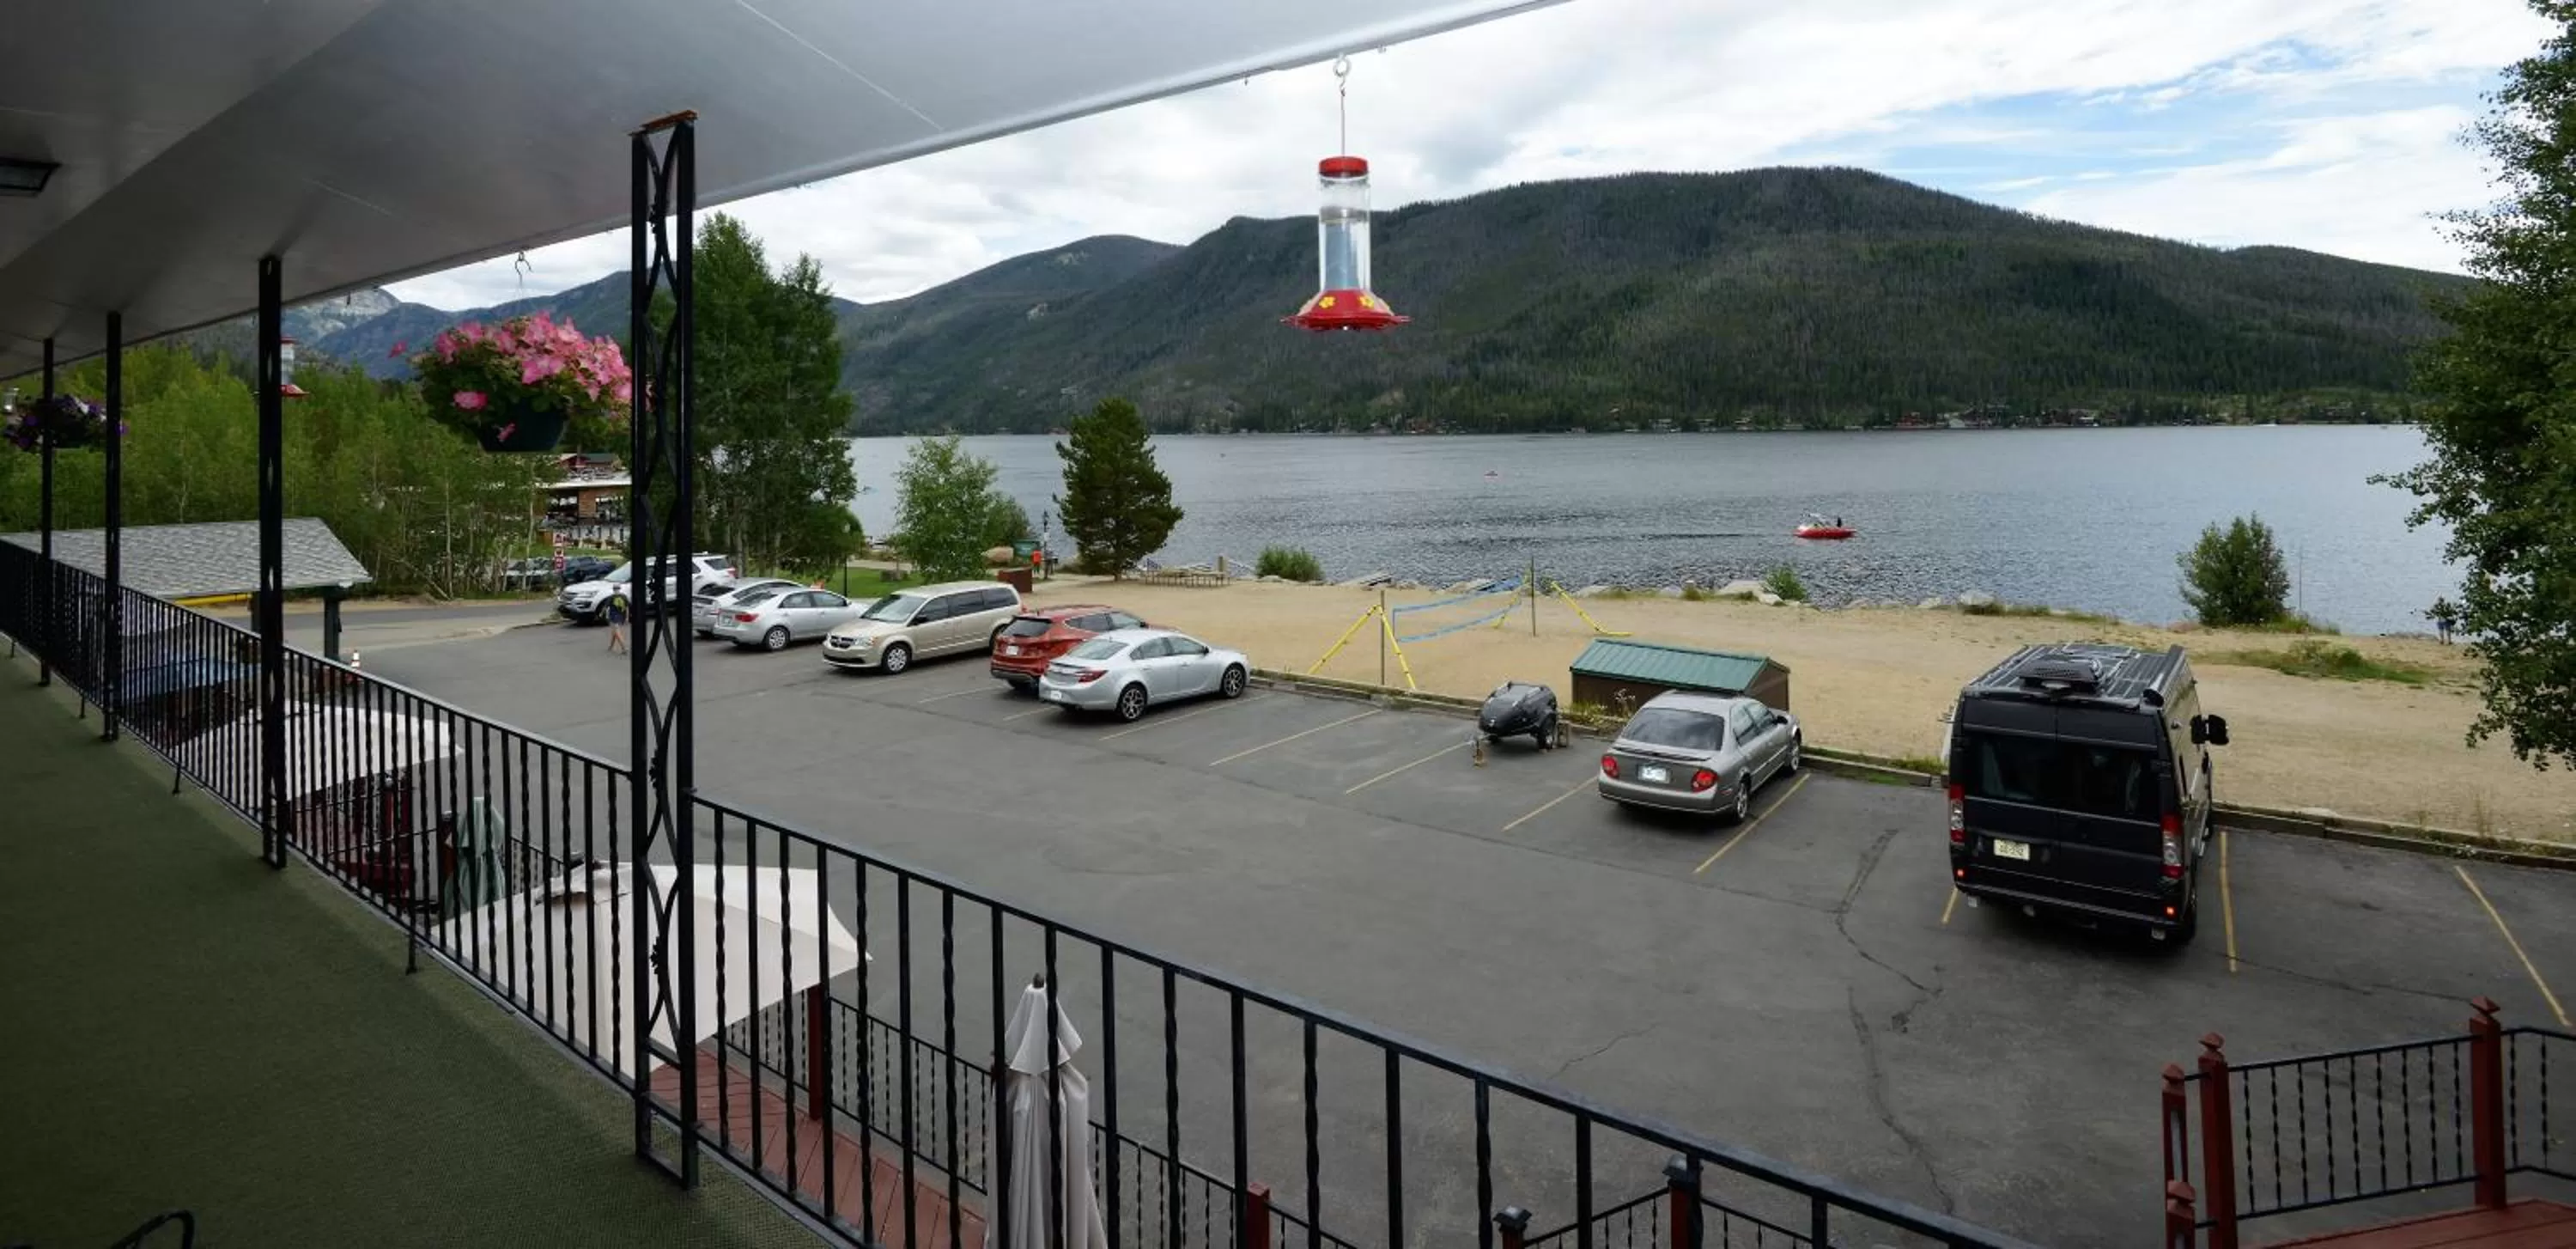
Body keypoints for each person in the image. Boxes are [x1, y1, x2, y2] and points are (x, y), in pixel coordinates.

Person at [605, 591, 629, 655]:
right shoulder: (624, 596)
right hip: (621, 616)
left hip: (613, 617)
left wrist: (606, 616)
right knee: (614, 632)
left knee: (617, 632)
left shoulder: (611, 597)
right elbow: (627, 607)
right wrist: (627, 617)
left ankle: (624, 648)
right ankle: (611, 646)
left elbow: (607, 608)